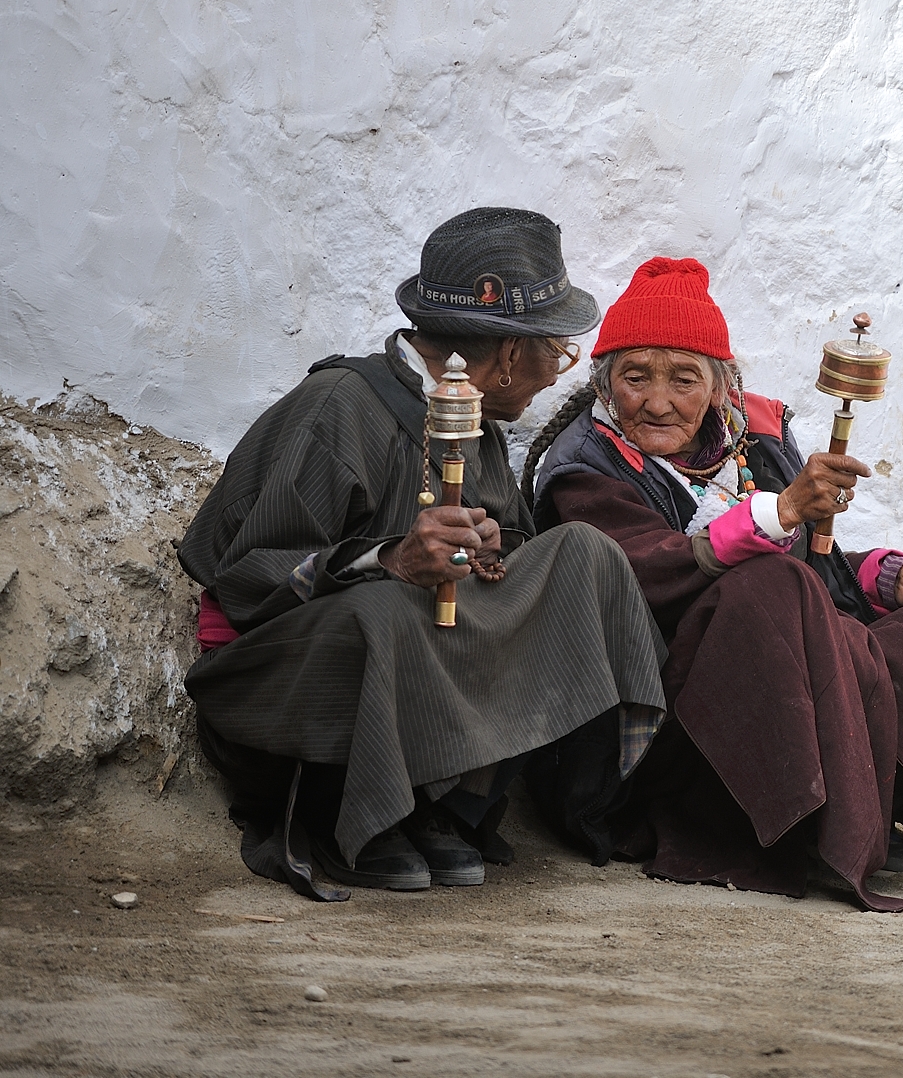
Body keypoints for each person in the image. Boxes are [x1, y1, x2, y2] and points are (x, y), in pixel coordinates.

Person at [520, 257, 903, 911]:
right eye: (635, 376)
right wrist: (781, 512)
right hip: (682, 723)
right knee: (771, 589)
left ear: (719, 386)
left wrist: (883, 576)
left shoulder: (750, 440)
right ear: (604, 384)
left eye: (684, 378)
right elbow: (647, 570)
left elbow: (814, 562)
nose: (658, 399)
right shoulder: (585, 467)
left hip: (810, 653)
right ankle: (827, 826)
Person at [177, 208, 668, 898]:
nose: (559, 372)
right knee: (389, 607)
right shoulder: (339, 406)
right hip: (280, 687)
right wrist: (389, 557)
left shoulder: (482, 429)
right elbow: (249, 581)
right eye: (554, 351)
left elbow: (508, 579)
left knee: (584, 555)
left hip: (421, 682)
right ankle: (355, 815)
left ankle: (448, 802)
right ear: (503, 357)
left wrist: (493, 551)